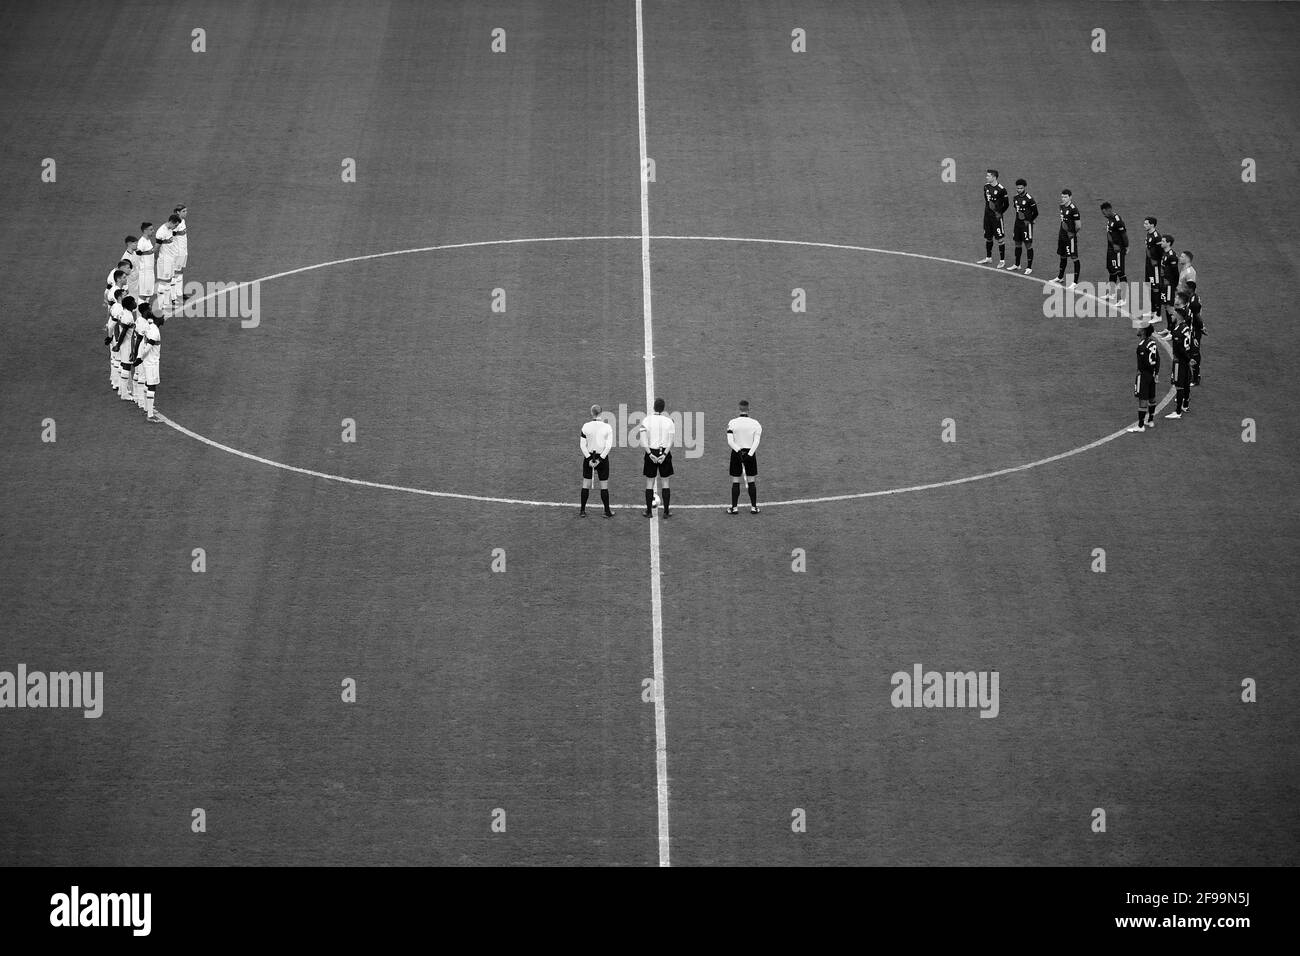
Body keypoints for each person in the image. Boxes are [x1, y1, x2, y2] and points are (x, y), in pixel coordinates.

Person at [640, 398, 676, 518]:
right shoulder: (669, 421)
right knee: (665, 482)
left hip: (651, 452)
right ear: (663, 407)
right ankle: (666, 512)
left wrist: (650, 454)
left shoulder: (646, 420)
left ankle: (649, 511)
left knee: (650, 482)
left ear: (654, 407)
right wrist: (664, 455)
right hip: (664, 453)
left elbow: (643, 440)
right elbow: (671, 441)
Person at [725, 400, 762, 514]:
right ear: (748, 409)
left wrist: (739, 452)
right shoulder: (756, 424)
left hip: (736, 453)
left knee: (735, 480)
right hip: (750, 453)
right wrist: (749, 454)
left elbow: (730, 441)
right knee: (751, 480)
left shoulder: (732, 423)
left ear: (739, 409)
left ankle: (734, 508)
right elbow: (756, 441)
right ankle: (754, 507)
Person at [579, 404, 615, 517]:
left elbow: (582, 445)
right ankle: (607, 511)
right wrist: (600, 459)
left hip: (588, 457)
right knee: (604, 485)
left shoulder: (586, 426)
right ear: (601, 413)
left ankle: (582, 511)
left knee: (586, 483)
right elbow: (608, 447)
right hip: (602, 459)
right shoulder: (607, 427)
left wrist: (589, 459)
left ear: (591, 413)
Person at [1128, 319, 1161, 433]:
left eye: (1139, 328)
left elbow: (1145, 363)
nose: (1137, 329)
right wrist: (1156, 373)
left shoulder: (1141, 347)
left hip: (1144, 376)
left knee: (1143, 400)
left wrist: (1140, 372)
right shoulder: (1152, 342)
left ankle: (1141, 425)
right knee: (1152, 398)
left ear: (1143, 331)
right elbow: (1158, 359)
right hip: (1151, 375)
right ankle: (1150, 420)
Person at [977, 169, 1009, 267]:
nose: (986, 177)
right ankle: (988, 258)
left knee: (1000, 239)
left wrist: (1000, 213)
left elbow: (1006, 204)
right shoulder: (986, 187)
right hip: (987, 217)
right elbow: (987, 201)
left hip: (996, 218)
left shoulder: (1002, 189)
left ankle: (1002, 261)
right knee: (988, 237)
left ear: (994, 177)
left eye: (988, 176)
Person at [1049, 189, 1081, 288]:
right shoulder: (1061, 206)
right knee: (1062, 255)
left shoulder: (1073, 209)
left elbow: (1078, 225)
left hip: (1070, 237)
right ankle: (1060, 277)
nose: (1063, 198)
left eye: (1065, 197)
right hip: (1062, 235)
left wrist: (1072, 234)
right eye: (1062, 196)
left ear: (1070, 197)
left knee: (1074, 257)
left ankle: (1075, 282)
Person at [1006, 179, 1037, 273]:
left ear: (1024, 188)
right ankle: (1017, 264)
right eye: (1018, 188)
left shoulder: (1029, 199)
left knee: (1028, 245)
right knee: (1017, 243)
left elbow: (1035, 212)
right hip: (1017, 224)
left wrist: (1029, 221)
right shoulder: (1015, 198)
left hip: (1026, 225)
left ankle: (1029, 267)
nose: (1019, 190)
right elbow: (1017, 209)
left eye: (1021, 188)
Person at [1100, 202, 1129, 303]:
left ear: (1109, 210)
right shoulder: (1110, 219)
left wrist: (1126, 247)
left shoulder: (1118, 220)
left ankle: (1124, 298)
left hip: (1118, 250)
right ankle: (1111, 293)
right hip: (1111, 249)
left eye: (1104, 212)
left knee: (1120, 272)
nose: (1103, 214)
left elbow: (1124, 235)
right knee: (1111, 269)